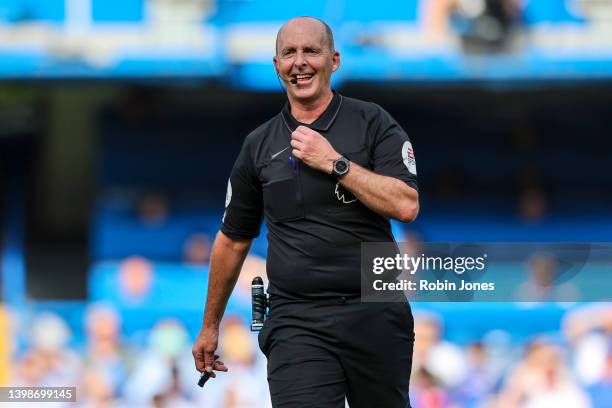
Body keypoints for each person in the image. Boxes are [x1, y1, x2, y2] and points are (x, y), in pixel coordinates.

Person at [192, 16, 419, 407]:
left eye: (311, 51)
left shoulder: (373, 122)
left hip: (375, 311)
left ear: (334, 60)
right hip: (296, 318)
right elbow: (232, 239)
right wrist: (210, 326)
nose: (300, 62)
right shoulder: (259, 145)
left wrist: (336, 163)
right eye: (289, 53)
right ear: (276, 65)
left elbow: (405, 204)